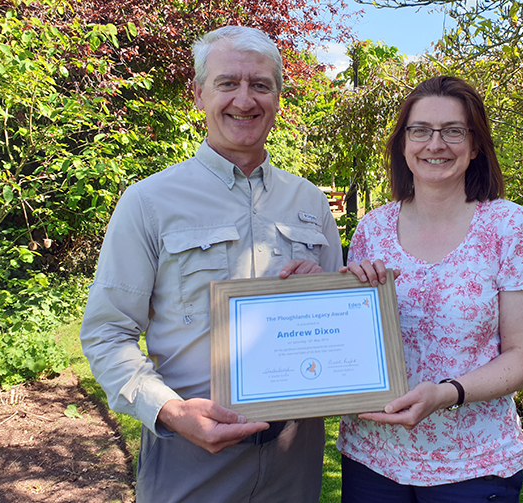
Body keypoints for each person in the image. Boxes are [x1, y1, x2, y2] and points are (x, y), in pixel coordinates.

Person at [79, 26, 342, 503]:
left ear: (278, 97)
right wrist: (170, 412)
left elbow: (334, 321)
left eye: (261, 84)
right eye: (228, 83)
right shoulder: (149, 202)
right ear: (199, 94)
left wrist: (326, 289)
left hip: (294, 458)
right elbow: (107, 331)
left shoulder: (310, 201)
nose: (245, 99)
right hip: (188, 456)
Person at [338, 76, 523, 502]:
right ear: (403, 144)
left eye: (453, 131)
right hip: (371, 457)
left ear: (475, 145)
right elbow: (351, 336)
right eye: (420, 130)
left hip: (473, 465)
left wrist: (444, 394)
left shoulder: (509, 227)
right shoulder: (372, 229)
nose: (435, 144)